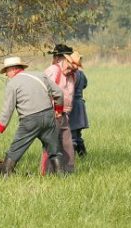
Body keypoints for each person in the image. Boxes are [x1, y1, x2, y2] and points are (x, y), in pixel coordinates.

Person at [0, 56, 64, 176]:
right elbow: (59, 93)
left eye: (7, 71)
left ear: (14, 69)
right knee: (54, 150)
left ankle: (5, 176)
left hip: (30, 120)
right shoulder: (40, 75)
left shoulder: (12, 84)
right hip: (48, 116)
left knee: (15, 149)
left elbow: (7, 110)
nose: (6, 75)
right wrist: (58, 109)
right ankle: (61, 176)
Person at [39, 44, 76, 174]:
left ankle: (68, 171)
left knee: (67, 143)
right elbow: (44, 91)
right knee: (51, 144)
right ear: (62, 59)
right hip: (52, 112)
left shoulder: (72, 73)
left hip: (64, 113)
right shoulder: (53, 71)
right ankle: (47, 172)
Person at [67, 51, 89, 157]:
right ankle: (83, 156)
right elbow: (85, 85)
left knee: (72, 135)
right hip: (80, 104)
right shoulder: (81, 74)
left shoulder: (71, 74)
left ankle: (71, 160)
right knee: (77, 134)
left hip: (72, 106)